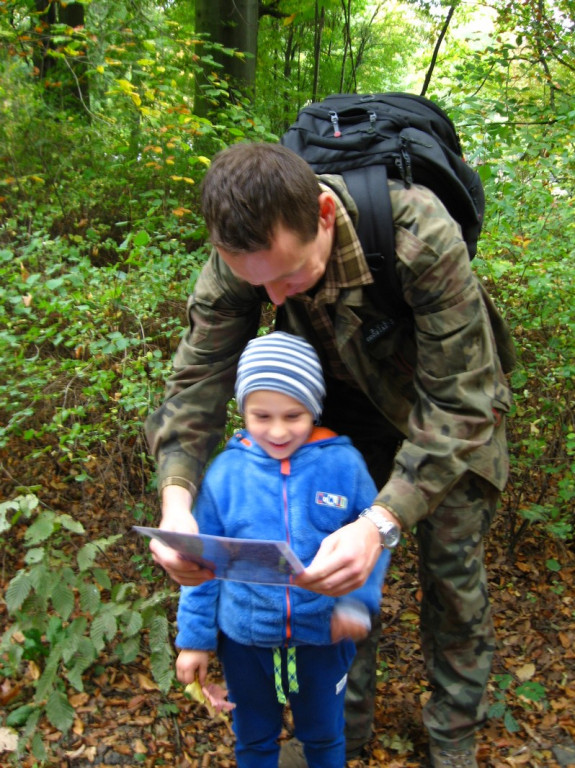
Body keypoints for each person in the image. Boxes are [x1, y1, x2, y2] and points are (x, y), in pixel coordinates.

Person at [145, 142, 512, 768]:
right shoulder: (244, 256)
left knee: (451, 581)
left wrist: (382, 521)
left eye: (290, 275)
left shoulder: (417, 234)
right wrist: (178, 506)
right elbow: (197, 383)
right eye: (259, 284)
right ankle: (342, 729)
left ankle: (454, 742)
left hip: (445, 417)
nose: (275, 294)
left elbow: (464, 403)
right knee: (328, 572)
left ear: (321, 214)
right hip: (338, 418)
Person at [175, 331, 390, 768]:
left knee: (326, 738)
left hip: (323, 638)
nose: (277, 430)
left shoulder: (344, 465)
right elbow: (203, 564)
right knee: (254, 741)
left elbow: (376, 541)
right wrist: (194, 641)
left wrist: (357, 604)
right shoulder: (225, 474)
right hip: (246, 641)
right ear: (242, 410)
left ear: (315, 406)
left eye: (294, 415)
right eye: (261, 415)